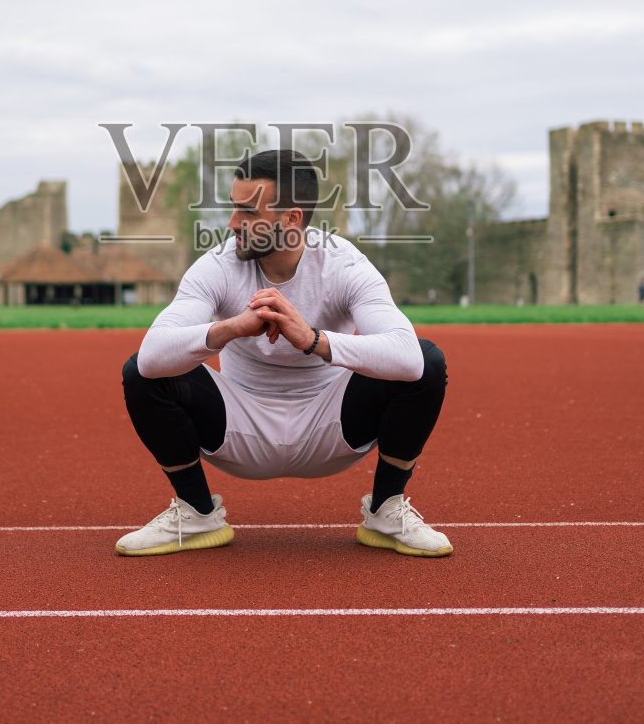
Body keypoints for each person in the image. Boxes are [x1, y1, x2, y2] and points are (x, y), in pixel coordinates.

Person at [117, 149, 452, 558]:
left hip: (332, 427)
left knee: (427, 360)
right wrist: (230, 328)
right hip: (238, 427)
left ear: (292, 219)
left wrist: (314, 340)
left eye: (247, 212)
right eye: (233, 208)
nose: (231, 223)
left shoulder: (344, 264)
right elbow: (151, 356)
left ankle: (386, 509)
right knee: (142, 371)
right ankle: (196, 512)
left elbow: (409, 359)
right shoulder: (217, 266)